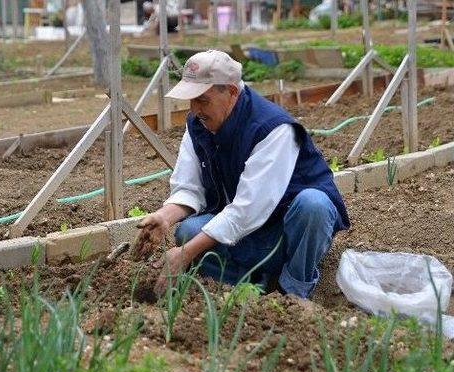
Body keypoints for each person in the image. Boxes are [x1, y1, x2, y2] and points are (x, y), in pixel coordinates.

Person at [133, 50, 350, 299]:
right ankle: (257, 284)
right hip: (246, 232)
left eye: (202, 100)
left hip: (286, 234)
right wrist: (164, 217)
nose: (194, 110)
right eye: (190, 101)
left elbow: (247, 211)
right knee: (187, 232)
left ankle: (294, 291)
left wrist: (187, 253)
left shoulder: (273, 128)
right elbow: (190, 189)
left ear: (232, 92)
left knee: (314, 204)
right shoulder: (198, 125)